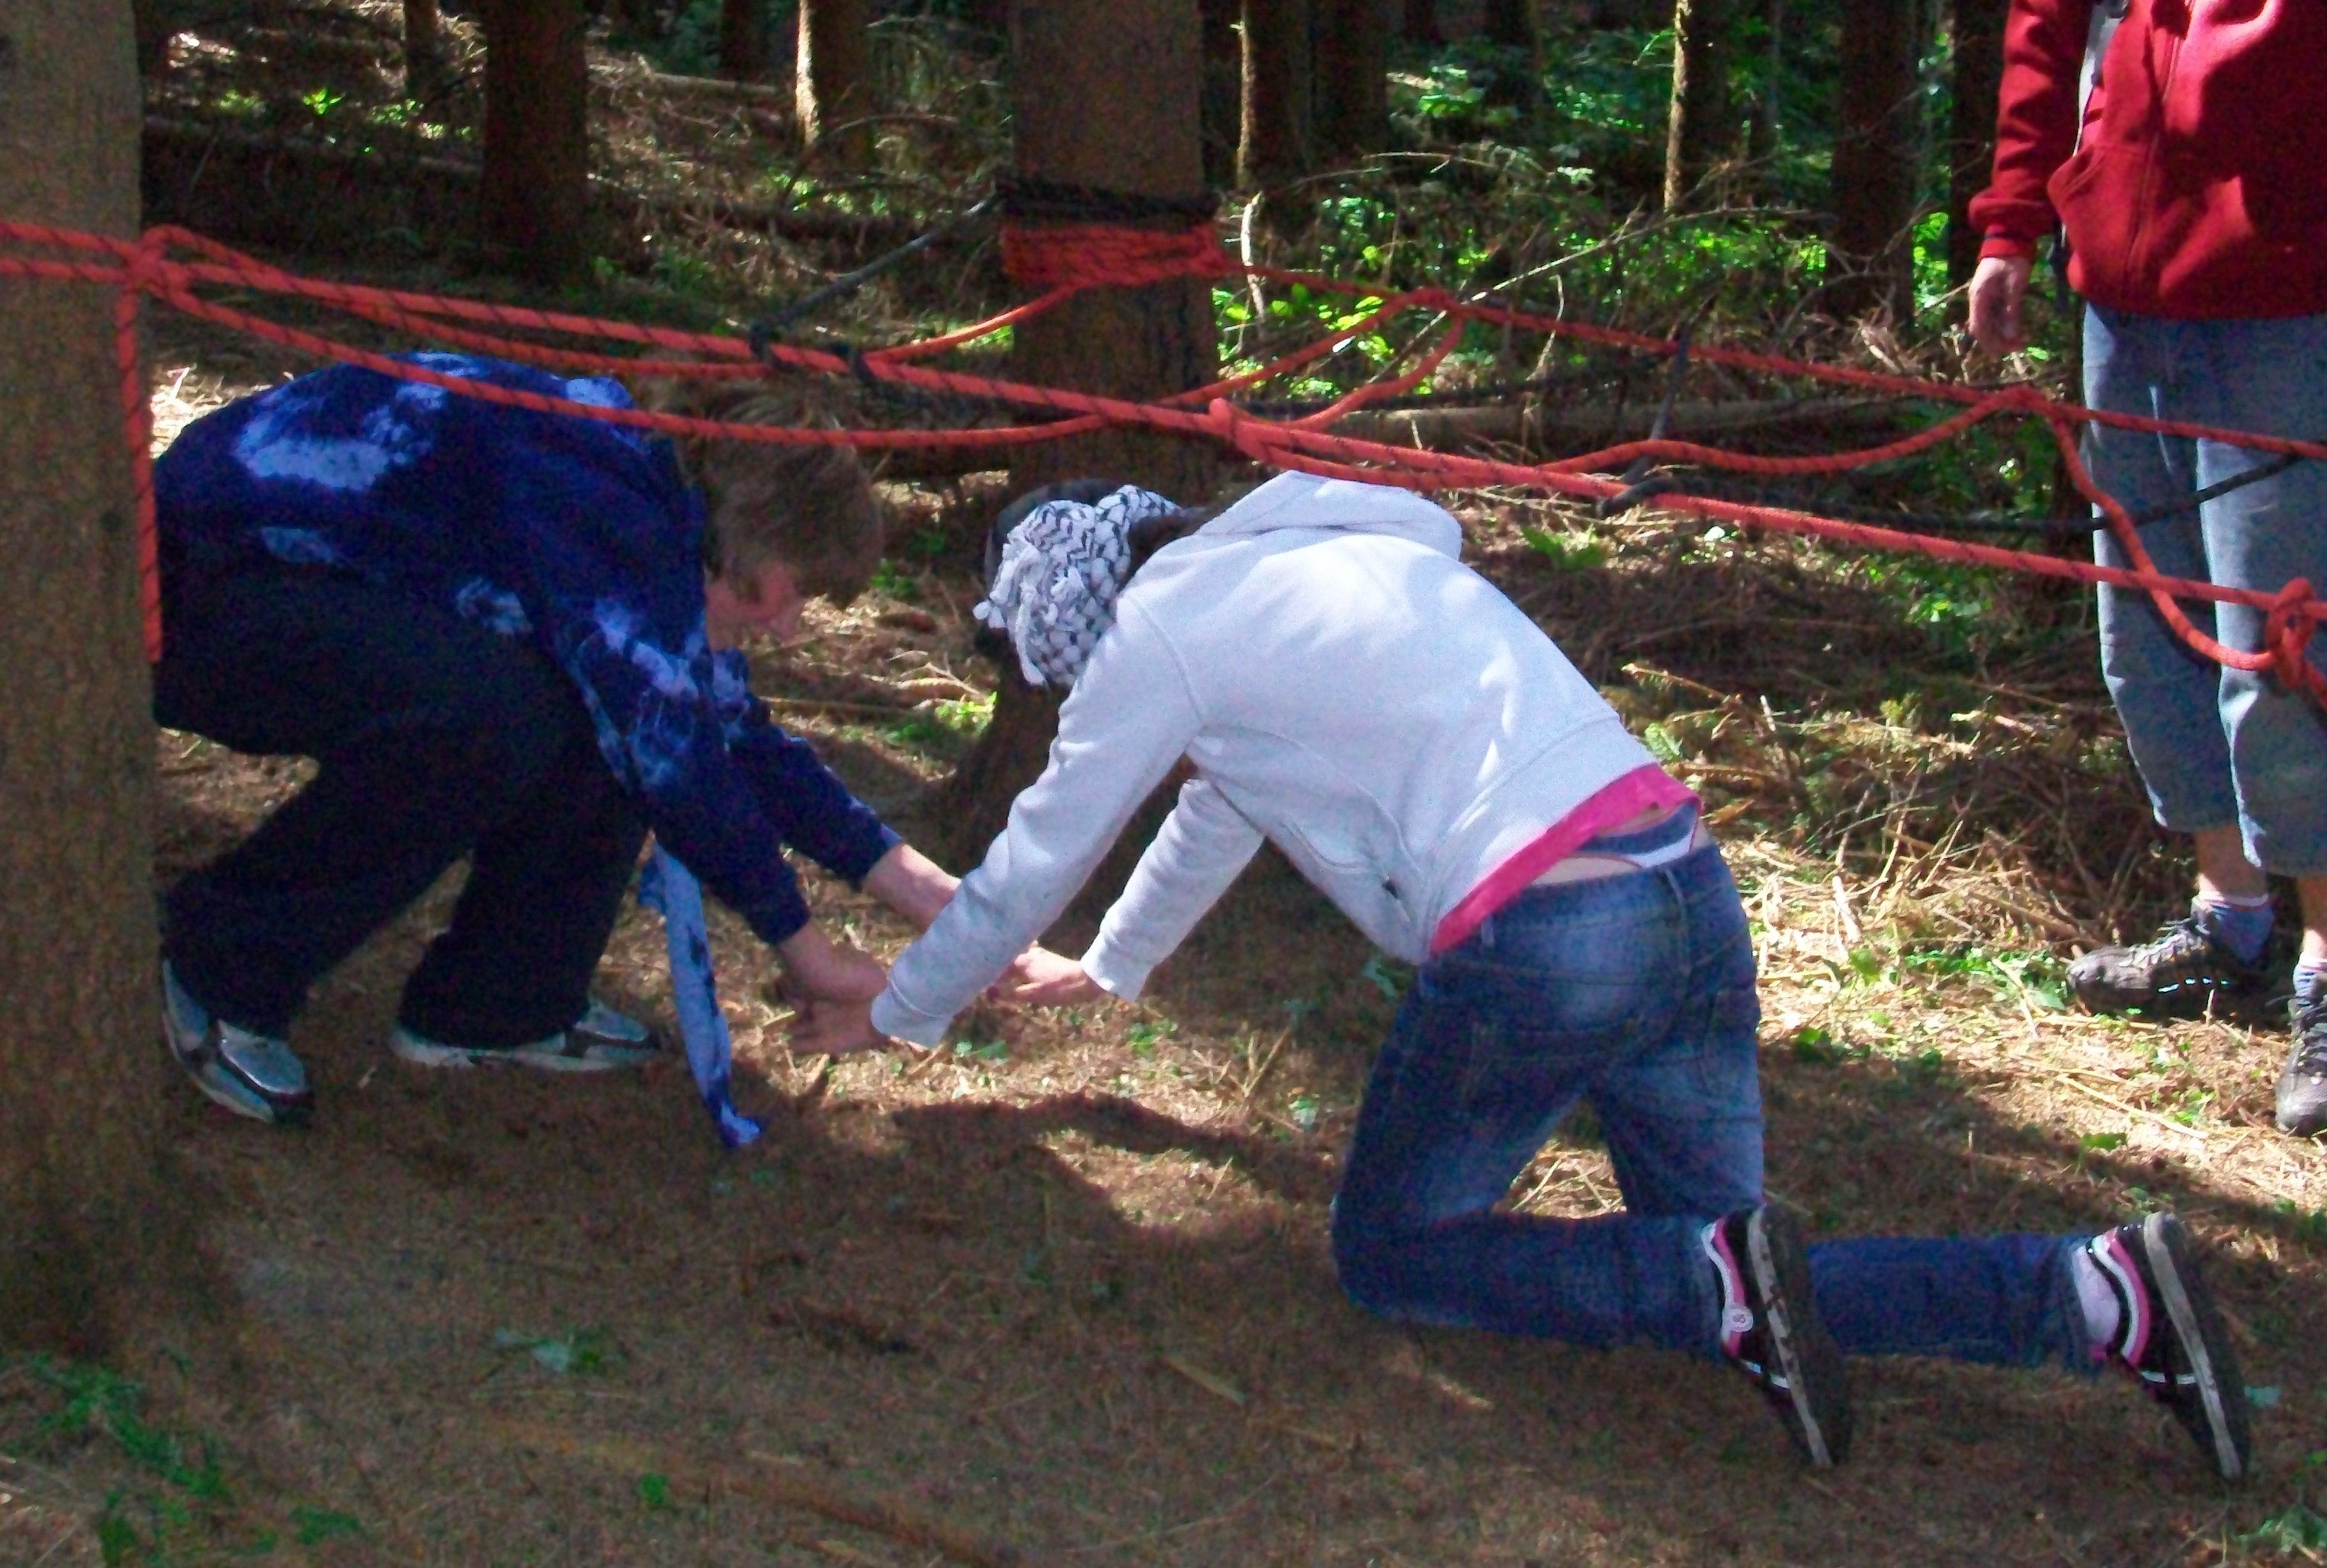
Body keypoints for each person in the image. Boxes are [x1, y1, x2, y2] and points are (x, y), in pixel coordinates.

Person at [862, 472, 2252, 1474]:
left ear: (1071, 613)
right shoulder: (1304, 561)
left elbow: (1034, 856)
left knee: (1393, 1251)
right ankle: (2093, 1293)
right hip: (1683, 891)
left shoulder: (1159, 629)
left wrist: (897, 1013)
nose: (1069, 690)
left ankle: (1730, 1281)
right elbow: (1222, 804)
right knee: (1734, 1274)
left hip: (1544, 932)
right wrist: (1114, 967)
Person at [151, 352, 967, 1127]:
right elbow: (673, 751)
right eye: (782, 595)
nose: (786, 628)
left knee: (585, 707)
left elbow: (736, 740)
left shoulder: (662, 507)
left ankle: (503, 1003)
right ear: (741, 540)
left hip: (309, 597)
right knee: (497, 712)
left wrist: (952, 909)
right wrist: (807, 951)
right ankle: (223, 965)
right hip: (188, 597)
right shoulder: (597, 498)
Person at [1966, 0, 2327, 1136]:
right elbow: (2046, 24)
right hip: (2121, 287)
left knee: (2286, 646)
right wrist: (2011, 222)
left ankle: (2325, 966)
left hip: (2289, 290)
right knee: (2148, 628)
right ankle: (2232, 920)